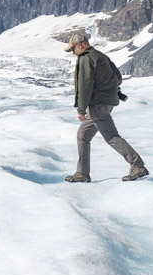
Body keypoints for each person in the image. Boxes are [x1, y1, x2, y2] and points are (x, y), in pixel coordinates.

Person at [63, 30, 148, 182]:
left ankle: (138, 165)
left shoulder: (85, 58)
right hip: (106, 103)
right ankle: (82, 173)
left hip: (97, 105)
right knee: (83, 135)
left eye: (73, 49)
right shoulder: (101, 55)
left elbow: (85, 85)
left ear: (80, 45)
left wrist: (81, 109)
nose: (73, 53)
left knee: (111, 136)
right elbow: (118, 77)